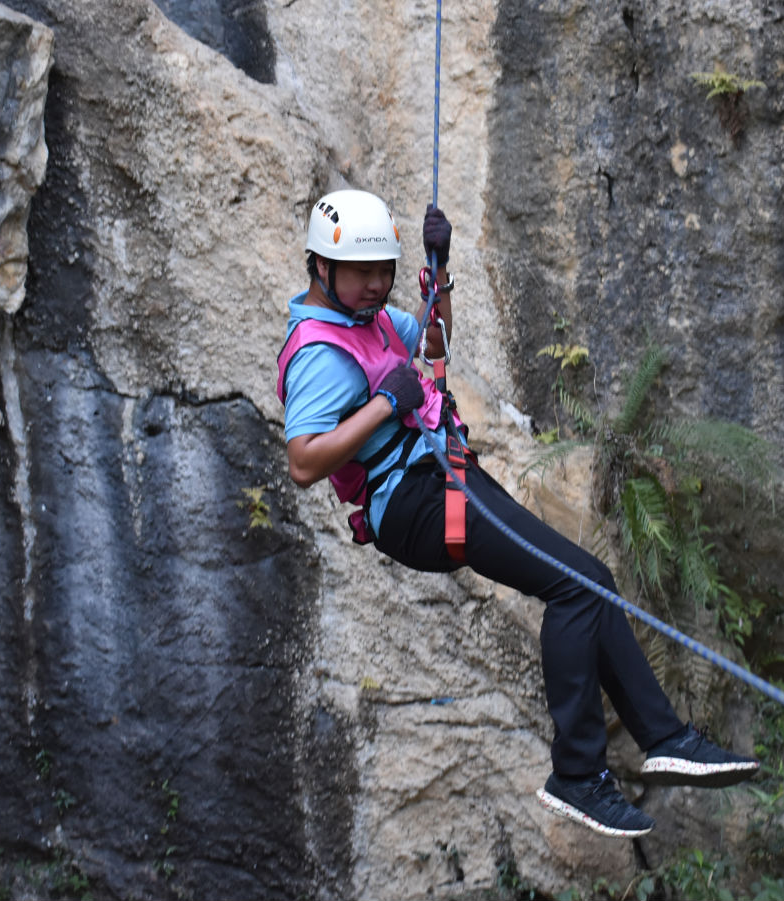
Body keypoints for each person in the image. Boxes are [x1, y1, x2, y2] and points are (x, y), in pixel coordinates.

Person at [277, 188, 759, 838]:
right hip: (411, 502)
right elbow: (304, 463)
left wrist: (437, 270)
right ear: (319, 267)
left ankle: (664, 736)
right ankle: (578, 774)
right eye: (360, 272)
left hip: (441, 477)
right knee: (570, 587)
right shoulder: (317, 352)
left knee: (589, 579)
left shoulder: (371, 322)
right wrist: (384, 405)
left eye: (382, 271)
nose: (373, 284)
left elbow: (435, 338)